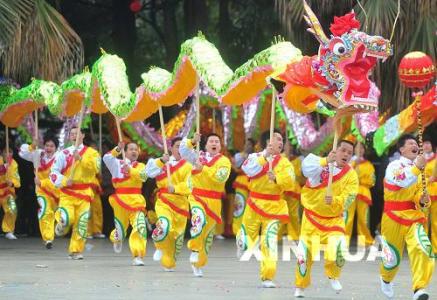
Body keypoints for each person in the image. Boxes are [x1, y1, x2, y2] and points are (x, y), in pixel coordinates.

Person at [294, 140, 358, 298]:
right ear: (335, 150)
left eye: (350, 153)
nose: (346, 155)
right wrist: (325, 161)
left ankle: (333, 275)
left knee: (339, 250)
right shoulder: (319, 162)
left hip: (334, 220)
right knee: (304, 256)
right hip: (312, 218)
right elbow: (305, 170)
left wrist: (335, 200)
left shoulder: (351, 175)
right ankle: (300, 286)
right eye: (343, 150)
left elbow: (350, 197)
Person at [379, 135, 435, 300]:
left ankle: (419, 288)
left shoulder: (419, 171)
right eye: (410, 143)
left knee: (423, 248)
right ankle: (386, 278)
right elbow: (401, 181)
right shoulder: (394, 166)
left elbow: (418, 196)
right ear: (402, 149)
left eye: (414, 143)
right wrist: (417, 168)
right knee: (392, 260)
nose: (413, 145)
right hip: (392, 217)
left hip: (413, 217)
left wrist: (423, 200)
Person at [238, 130, 295, 288]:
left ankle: (268, 275)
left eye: (282, 139)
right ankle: (242, 243)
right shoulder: (255, 157)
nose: (281, 142)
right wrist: (264, 157)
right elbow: (248, 170)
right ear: (267, 141)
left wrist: (276, 178)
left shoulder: (284, 163)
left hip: (275, 207)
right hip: (254, 203)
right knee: (245, 241)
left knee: (269, 241)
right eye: (277, 138)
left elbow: (290, 182)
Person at [180, 132, 231, 277]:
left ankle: (198, 263)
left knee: (207, 236)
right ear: (206, 144)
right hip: (197, 197)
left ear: (220, 146)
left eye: (217, 141)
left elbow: (220, 178)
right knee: (199, 219)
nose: (214, 143)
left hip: (214, 201)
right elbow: (183, 150)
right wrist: (192, 141)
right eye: (211, 141)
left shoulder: (224, 161)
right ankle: (194, 249)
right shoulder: (197, 156)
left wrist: (204, 169)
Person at [50, 127, 100, 259]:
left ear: (83, 135)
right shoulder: (63, 153)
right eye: (71, 134)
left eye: (76, 133)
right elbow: (53, 173)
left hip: (84, 193)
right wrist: (65, 180)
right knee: (68, 218)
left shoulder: (92, 153)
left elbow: (96, 168)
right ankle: (61, 222)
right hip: (68, 193)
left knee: (82, 223)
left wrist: (81, 159)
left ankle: (75, 250)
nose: (74, 136)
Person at [145, 137, 192, 271]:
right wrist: (161, 161)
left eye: (183, 147)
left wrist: (176, 188)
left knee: (176, 239)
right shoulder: (163, 162)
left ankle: (168, 261)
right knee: (164, 226)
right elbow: (148, 172)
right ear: (171, 148)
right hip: (164, 202)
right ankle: (159, 245)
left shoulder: (188, 166)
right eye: (177, 146)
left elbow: (190, 185)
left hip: (181, 205)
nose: (180, 149)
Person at [103, 141, 148, 266]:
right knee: (120, 232)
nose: (134, 151)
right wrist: (117, 149)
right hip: (120, 200)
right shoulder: (117, 164)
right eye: (131, 149)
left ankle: (137, 255)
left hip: (136, 201)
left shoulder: (141, 166)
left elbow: (144, 177)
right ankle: (116, 238)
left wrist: (131, 171)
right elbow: (106, 158)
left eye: (136, 149)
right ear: (126, 151)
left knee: (140, 226)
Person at [19, 134, 59, 248]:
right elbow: (23, 152)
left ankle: (55, 232)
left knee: (55, 215)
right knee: (45, 211)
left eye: (51, 146)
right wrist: (32, 146)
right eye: (47, 145)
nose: (48, 148)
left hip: (57, 192)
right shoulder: (38, 153)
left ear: (56, 148)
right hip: (42, 191)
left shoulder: (59, 157)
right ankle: (48, 239)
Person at [345, 142, 375, 247]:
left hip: (363, 192)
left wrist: (361, 180)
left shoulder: (368, 164)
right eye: (357, 148)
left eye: (362, 148)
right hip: (350, 192)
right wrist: (353, 164)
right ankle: (344, 241)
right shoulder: (348, 162)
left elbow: (372, 181)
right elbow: (344, 176)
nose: (360, 150)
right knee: (348, 218)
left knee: (363, 218)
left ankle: (365, 240)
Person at [281, 139, 303, 242]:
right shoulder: (280, 158)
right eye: (286, 146)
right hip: (282, 187)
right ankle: (278, 234)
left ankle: (294, 234)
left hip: (293, 188)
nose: (288, 148)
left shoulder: (297, 160)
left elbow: (298, 175)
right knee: (280, 211)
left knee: (293, 213)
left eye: (290, 146)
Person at [231, 138, 255, 235]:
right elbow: (235, 166)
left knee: (251, 207)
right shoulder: (238, 155)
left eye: (250, 145)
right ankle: (237, 230)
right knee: (240, 206)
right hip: (241, 181)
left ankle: (249, 230)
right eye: (246, 144)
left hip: (252, 183)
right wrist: (244, 157)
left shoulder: (255, 156)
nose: (248, 146)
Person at [0, 142, 21, 240]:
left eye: (10, 152)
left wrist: (12, 183)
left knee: (12, 209)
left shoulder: (14, 164)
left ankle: (8, 230)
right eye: (5, 151)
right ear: (2, 152)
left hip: (7, 191)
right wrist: (4, 167)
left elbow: (17, 181)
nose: (8, 154)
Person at [423, 137, 437, 251]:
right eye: (424, 143)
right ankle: (424, 247)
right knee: (423, 220)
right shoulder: (419, 160)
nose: (426, 145)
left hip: (435, 192)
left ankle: (435, 248)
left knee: (436, 222)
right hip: (423, 193)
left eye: (428, 143)